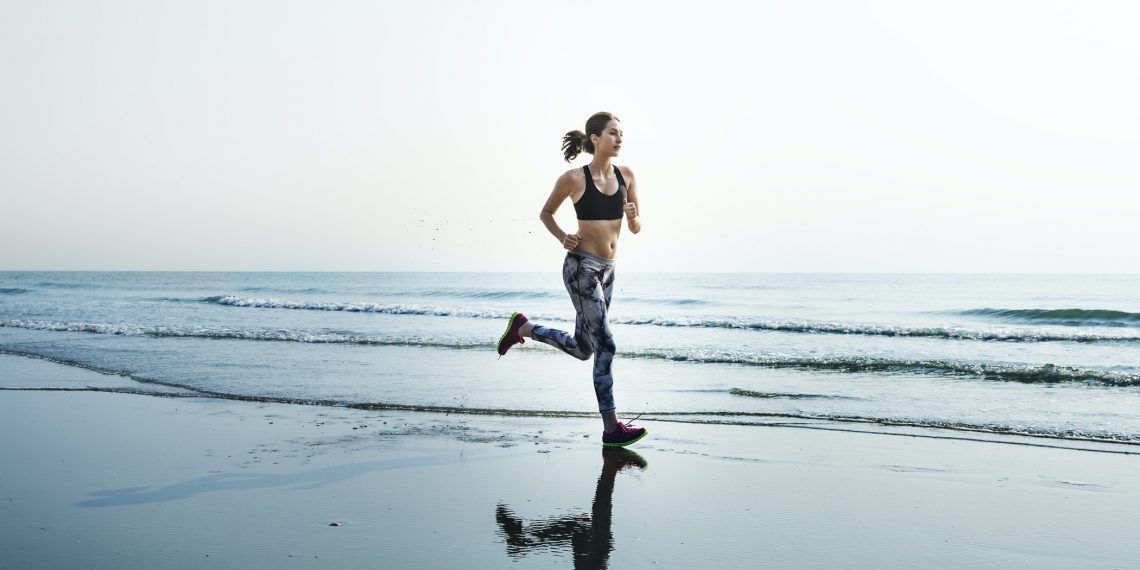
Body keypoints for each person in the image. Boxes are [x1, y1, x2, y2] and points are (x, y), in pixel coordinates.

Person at [497, 111, 647, 448]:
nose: (619, 139)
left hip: (609, 270)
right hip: (580, 269)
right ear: (595, 139)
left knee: (584, 348)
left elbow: (636, 229)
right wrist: (562, 235)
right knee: (606, 344)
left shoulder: (627, 175)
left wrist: (634, 218)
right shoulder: (574, 178)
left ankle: (524, 328)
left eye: (621, 134)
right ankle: (611, 429)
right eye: (612, 133)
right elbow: (546, 213)